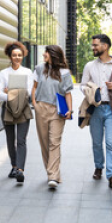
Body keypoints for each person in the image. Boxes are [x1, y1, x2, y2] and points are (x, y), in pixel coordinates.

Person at [80, 34, 112, 189]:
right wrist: (90, 91)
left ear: (105, 46)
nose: (93, 48)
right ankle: (98, 166)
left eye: (96, 45)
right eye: (93, 45)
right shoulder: (89, 66)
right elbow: (82, 85)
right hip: (95, 109)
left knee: (111, 143)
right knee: (96, 142)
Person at [32, 45, 74, 189]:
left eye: (47, 52)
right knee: (44, 142)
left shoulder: (64, 72)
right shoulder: (39, 68)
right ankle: (51, 171)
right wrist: (35, 104)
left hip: (58, 111)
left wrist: (70, 109)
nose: (44, 54)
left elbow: (67, 93)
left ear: (53, 55)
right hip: (41, 108)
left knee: (54, 142)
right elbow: (34, 87)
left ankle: (53, 176)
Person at [0, 41, 34, 183]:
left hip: (24, 109)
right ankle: (14, 166)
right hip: (7, 109)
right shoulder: (4, 73)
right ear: (10, 57)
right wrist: (16, 93)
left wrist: (10, 91)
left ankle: (20, 170)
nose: (17, 57)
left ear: (22, 56)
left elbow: (29, 92)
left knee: (21, 140)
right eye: (14, 55)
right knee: (10, 140)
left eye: (19, 55)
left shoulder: (27, 72)